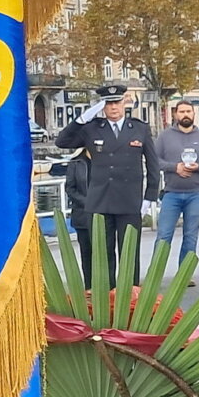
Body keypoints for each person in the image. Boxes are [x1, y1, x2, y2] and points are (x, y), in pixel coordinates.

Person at [55, 84, 159, 287]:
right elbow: (62, 141)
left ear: (124, 103)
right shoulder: (92, 129)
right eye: (108, 103)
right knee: (103, 256)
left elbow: (153, 165)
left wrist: (150, 197)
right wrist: (83, 118)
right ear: (103, 106)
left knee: (129, 255)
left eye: (117, 102)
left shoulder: (139, 128)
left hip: (129, 201)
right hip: (100, 201)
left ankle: (130, 300)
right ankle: (107, 300)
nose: (113, 108)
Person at [155, 101, 199, 282]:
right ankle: (155, 274)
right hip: (171, 193)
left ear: (193, 114)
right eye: (181, 111)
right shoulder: (164, 137)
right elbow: (154, 161)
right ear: (175, 114)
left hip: (195, 193)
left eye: (188, 111)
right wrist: (175, 167)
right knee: (164, 235)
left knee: (190, 235)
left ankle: (184, 275)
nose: (185, 114)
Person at [64, 148, 93, 281]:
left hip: (104, 212)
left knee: (105, 253)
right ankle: (89, 286)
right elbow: (70, 188)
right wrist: (86, 202)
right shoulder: (76, 162)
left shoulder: (105, 160)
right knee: (86, 253)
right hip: (82, 214)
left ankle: (108, 288)